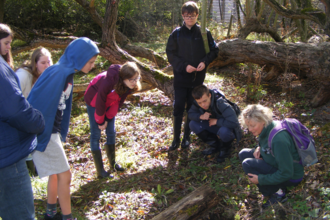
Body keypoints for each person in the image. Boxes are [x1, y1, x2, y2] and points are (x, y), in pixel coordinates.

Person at [28, 37, 99, 220]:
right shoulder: (57, 72)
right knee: (65, 175)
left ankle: (50, 214)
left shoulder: (67, 73)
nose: (92, 65)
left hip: (53, 132)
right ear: (79, 57)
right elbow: (37, 103)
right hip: (44, 132)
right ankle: (68, 217)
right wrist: (40, 135)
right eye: (90, 61)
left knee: (55, 174)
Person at [0, 23, 45, 220]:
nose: (9, 47)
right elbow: (14, 109)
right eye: (6, 43)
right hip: (7, 158)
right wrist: (38, 121)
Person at [166, 1, 219, 151]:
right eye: (187, 15)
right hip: (181, 78)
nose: (190, 18)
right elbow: (170, 54)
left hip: (197, 79)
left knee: (191, 108)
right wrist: (184, 66)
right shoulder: (176, 33)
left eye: (193, 15)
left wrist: (205, 61)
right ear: (183, 15)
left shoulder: (204, 33)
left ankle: (186, 138)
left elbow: (214, 50)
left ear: (197, 15)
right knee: (178, 107)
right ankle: (175, 139)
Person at [238, 104, 304, 208]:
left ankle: (279, 192)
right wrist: (258, 147)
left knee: (247, 164)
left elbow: (286, 173)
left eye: (253, 125)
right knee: (243, 154)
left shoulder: (278, 140)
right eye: (248, 125)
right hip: (277, 161)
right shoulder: (268, 126)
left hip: (291, 176)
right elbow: (266, 141)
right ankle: (273, 186)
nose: (250, 129)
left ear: (263, 121)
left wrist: (261, 179)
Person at [84, 62, 141, 178]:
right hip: (94, 101)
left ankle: (113, 164)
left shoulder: (127, 86)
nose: (135, 82)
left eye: (137, 78)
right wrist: (101, 120)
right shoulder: (108, 82)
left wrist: (108, 117)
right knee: (95, 134)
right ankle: (100, 171)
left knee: (111, 132)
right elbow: (100, 101)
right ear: (123, 78)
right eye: (132, 80)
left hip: (110, 101)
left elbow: (119, 102)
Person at [16, 47, 53, 175]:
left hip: (34, 117)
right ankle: (31, 173)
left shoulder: (45, 76)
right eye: (43, 63)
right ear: (35, 63)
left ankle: (37, 171)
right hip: (20, 116)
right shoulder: (23, 75)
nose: (47, 65)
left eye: (49, 62)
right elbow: (13, 96)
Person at [188, 85, 241, 163]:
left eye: (205, 101)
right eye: (199, 103)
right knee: (193, 124)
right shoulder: (198, 102)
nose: (203, 105)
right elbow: (190, 114)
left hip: (228, 129)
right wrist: (200, 116)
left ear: (209, 95)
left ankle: (225, 149)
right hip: (214, 126)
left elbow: (234, 122)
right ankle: (215, 145)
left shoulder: (220, 102)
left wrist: (216, 121)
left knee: (224, 131)